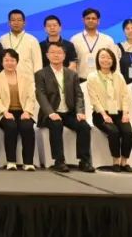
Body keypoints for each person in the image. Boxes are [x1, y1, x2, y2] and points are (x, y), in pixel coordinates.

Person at [35, 43, 95, 172]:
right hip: (50, 113)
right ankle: (59, 161)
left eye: (59, 52)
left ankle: (84, 161)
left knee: (84, 126)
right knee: (56, 124)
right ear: (47, 55)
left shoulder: (71, 74)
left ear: (64, 56)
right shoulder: (41, 74)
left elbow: (79, 95)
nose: (56, 55)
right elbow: (41, 95)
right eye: (52, 52)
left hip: (69, 113)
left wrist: (80, 111)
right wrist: (50, 113)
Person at [88, 47, 132, 172]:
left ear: (113, 60)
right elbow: (94, 100)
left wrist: (125, 113)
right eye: (102, 57)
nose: (106, 60)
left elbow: (125, 96)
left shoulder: (118, 76)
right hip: (101, 114)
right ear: (98, 59)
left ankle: (124, 162)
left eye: (109, 57)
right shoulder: (92, 77)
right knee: (114, 132)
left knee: (128, 133)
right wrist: (104, 115)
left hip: (119, 113)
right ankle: (116, 161)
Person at [0, 48, 37, 170]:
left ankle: (28, 162)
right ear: (2, 62)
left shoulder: (26, 77)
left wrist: (27, 111)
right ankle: (11, 161)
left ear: (17, 62)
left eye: (12, 60)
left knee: (27, 126)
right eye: (6, 60)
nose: (9, 63)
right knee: (11, 126)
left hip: (23, 111)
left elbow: (31, 97)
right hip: (5, 112)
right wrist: (4, 112)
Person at [69, 8, 116, 81]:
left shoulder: (108, 40)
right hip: (81, 80)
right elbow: (71, 63)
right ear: (83, 20)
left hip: (102, 80)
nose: (91, 20)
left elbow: (115, 62)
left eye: (93, 18)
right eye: (88, 18)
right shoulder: (74, 40)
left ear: (98, 21)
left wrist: (115, 80)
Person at [0, 9, 42, 77]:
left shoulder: (32, 40)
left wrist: (38, 81)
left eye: (19, 20)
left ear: (24, 22)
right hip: (7, 79)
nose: (16, 23)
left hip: (28, 80)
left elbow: (38, 64)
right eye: (13, 20)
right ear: (9, 23)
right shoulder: (2, 39)